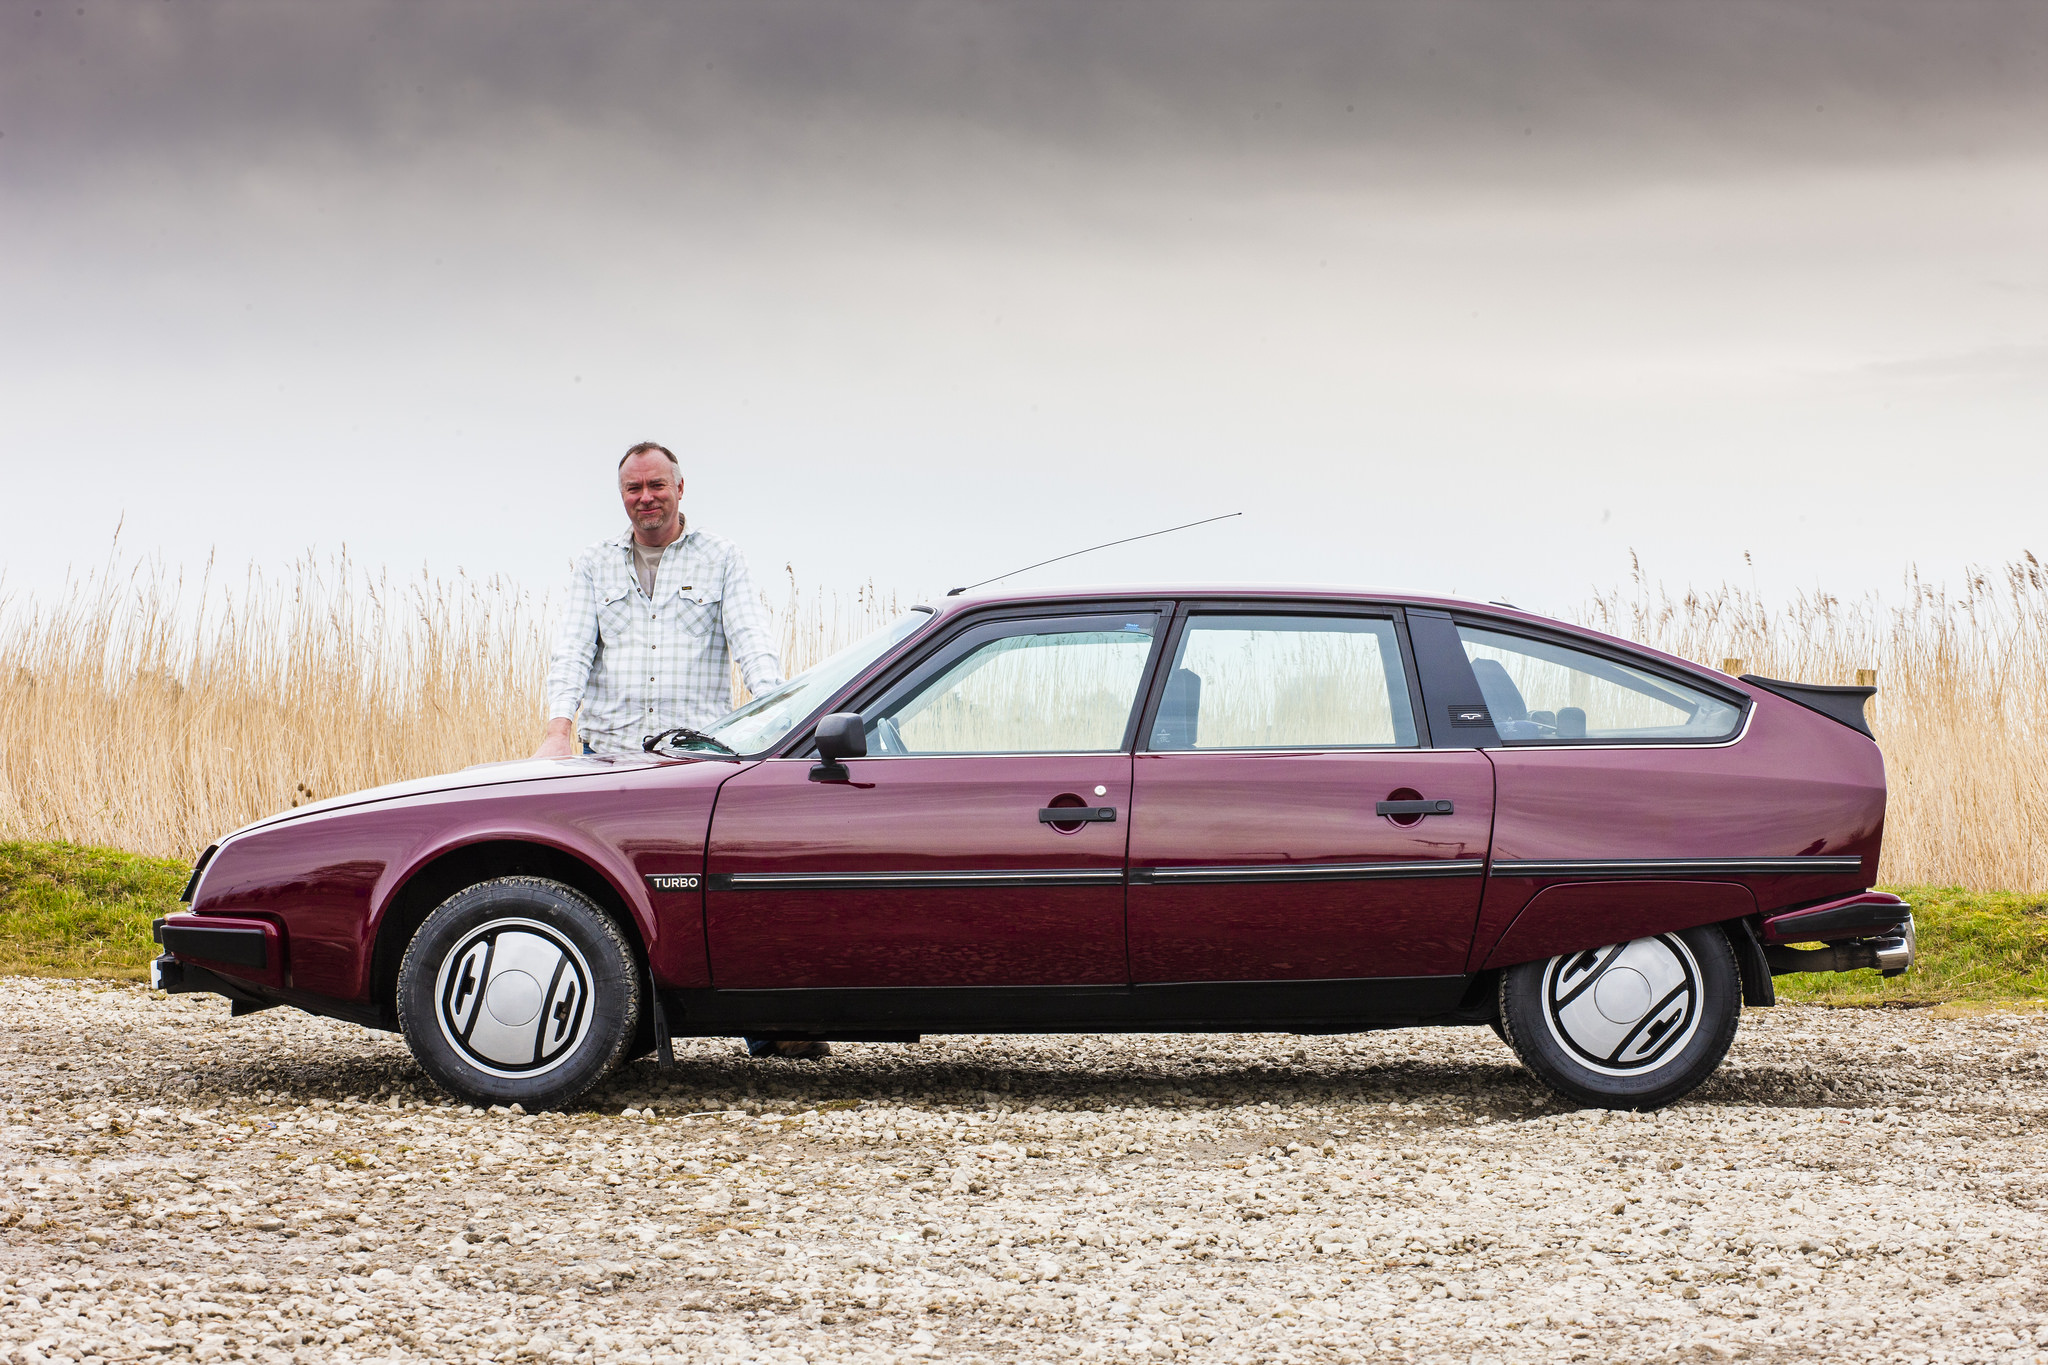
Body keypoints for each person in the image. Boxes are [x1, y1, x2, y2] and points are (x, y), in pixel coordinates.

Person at [535, 440, 827, 1061]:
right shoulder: (594, 564)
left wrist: (781, 723)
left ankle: (767, 1023)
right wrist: (558, 730)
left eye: (656, 487)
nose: (646, 499)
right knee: (611, 889)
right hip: (608, 754)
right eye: (634, 490)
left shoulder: (722, 559)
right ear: (622, 497)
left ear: (680, 488)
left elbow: (754, 644)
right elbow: (572, 651)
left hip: (695, 758)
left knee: (713, 888)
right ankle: (618, 1030)